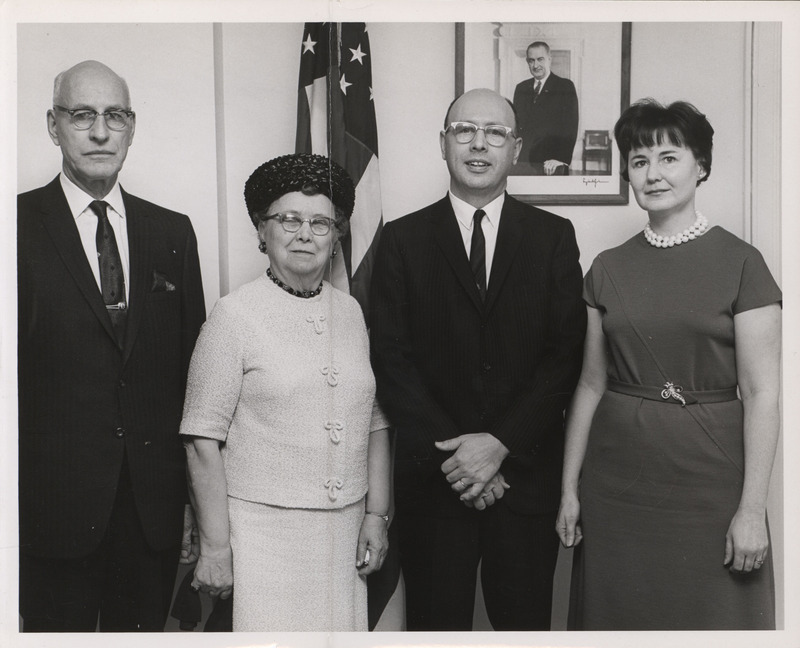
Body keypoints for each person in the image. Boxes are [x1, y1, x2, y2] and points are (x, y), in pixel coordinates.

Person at [557, 99, 781, 630]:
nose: (653, 173)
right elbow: (589, 385)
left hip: (710, 479)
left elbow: (764, 393)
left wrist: (752, 509)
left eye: (669, 156)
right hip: (617, 482)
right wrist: (569, 488)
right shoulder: (607, 268)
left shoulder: (744, 263)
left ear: (700, 165)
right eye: (638, 161)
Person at [370, 88, 586, 631]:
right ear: (443, 144)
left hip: (524, 481)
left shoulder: (554, 238)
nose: (478, 144)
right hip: (435, 487)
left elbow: (565, 357)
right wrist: (462, 459)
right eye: (464, 131)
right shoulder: (400, 240)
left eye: (494, 133)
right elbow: (391, 360)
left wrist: (499, 444)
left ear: (515, 148)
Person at [17, 60, 206, 632]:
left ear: (131, 126)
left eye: (114, 116)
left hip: (151, 513)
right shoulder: (14, 226)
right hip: (50, 514)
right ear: (54, 126)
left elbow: (192, 379)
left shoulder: (172, 232)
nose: (100, 133)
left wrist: (195, 502)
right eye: (82, 116)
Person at [181, 153, 391, 632]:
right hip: (262, 538)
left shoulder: (353, 313)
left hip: (344, 533)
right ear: (261, 230)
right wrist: (216, 547)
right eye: (289, 219)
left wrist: (377, 514)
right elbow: (201, 441)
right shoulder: (234, 316)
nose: (305, 234)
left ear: (337, 237)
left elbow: (376, 421)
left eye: (321, 223)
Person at [512, 41, 579, 176]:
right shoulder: (521, 88)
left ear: (549, 59)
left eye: (540, 59)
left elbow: (570, 126)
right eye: (531, 61)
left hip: (551, 163)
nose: (536, 65)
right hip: (523, 162)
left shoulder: (565, 86)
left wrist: (561, 159)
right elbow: (516, 125)